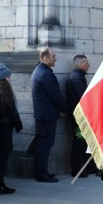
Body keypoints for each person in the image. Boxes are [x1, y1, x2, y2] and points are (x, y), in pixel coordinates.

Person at [31, 47, 68, 182]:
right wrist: (65, 109)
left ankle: (40, 172)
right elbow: (55, 96)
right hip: (47, 115)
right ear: (45, 58)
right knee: (45, 145)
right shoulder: (45, 74)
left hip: (42, 114)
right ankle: (41, 173)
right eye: (53, 56)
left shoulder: (39, 71)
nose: (55, 58)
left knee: (42, 144)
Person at [0, 61, 23, 194]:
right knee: (2, 157)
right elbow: (11, 110)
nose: (10, 78)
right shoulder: (4, 90)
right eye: (8, 76)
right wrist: (18, 124)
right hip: (4, 128)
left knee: (0, 156)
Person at [65, 54, 92, 177]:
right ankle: (77, 169)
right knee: (79, 141)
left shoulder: (78, 76)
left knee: (81, 141)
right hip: (79, 116)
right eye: (86, 63)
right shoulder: (76, 77)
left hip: (79, 115)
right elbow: (82, 97)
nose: (88, 65)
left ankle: (83, 168)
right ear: (80, 64)